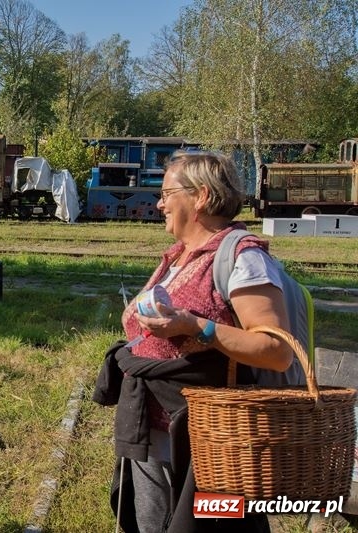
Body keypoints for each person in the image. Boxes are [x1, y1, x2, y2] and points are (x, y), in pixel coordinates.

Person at [95, 150, 293, 532]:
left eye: (166, 194)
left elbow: (277, 350)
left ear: (200, 196)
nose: (159, 204)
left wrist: (194, 325)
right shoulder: (177, 257)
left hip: (209, 441)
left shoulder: (242, 257)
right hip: (153, 428)